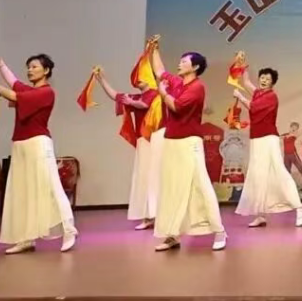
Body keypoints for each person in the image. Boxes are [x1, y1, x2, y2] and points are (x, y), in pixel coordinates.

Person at [0, 48, 77, 255]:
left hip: (38, 143)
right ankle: (25, 238)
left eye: (34, 67)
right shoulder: (29, 91)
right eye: (28, 67)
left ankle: (69, 230)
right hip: (20, 144)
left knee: (51, 187)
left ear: (46, 70)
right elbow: (13, 82)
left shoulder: (46, 93)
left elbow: (14, 94)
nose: (30, 70)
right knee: (21, 191)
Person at [149, 43, 227, 251]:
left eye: (184, 62)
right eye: (180, 61)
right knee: (171, 187)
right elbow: (160, 71)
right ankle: (172, 234)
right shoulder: (177, 82)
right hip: (171, 140)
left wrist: (162, 92)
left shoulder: (197, 87)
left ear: (195, 67)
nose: (180, 64)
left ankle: (219, 231)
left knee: (200, 185)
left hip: (189, 142)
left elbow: (176, 106)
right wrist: (154, 49)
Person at [233, 67, 302, 228]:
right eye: (262, 77)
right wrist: (242, 66)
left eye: (267, 79)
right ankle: (261, 215)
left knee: (279, 172)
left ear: (272, 83)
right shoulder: (258, 93)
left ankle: (299, 207)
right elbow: (246, 82)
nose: (264, 80)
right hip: (256, 139)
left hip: (268, 138)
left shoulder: (271, 97)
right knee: (257, 176)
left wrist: (240, 97)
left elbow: (253, 107)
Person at [95, 67, 163, 230]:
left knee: (156, 177)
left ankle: (160, 216)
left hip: (156, 139)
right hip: (143, 141)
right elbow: (116, 96)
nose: (137, 79)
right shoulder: (137, 97)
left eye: (141, 75)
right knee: (143, 177)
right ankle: (148, 216)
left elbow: (143, 105)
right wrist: (101, 80)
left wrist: (131, 103)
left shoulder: (156, 94)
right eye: (136, 76)